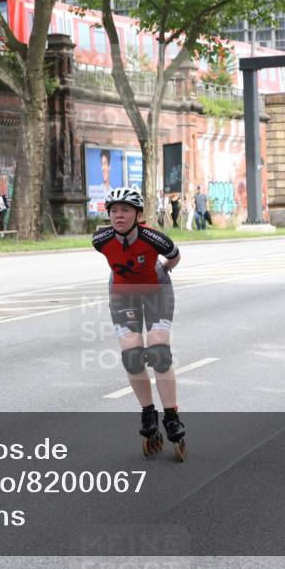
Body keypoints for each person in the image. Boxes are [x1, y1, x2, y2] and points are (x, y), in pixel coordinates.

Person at [92, 187, 187, 460]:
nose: (118, 216)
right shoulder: (100, 239)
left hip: (156, 290)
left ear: (137, 214)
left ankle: (171, 415)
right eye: (113, 211)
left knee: (158, 351)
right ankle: (148, 412)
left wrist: (163, 269)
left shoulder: (153, 237)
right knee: (132, 355)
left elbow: (175, 256)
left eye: (125, 210)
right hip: (123, 295)